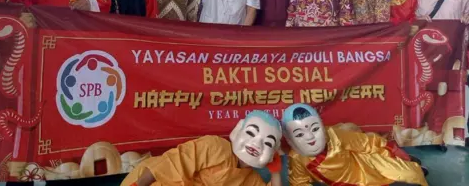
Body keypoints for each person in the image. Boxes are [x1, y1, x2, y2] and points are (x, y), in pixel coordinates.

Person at [121, 111, 283, 186]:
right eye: (250, 133)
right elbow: (171, 162)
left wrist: (275, 170)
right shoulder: (215, 146)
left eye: (268, 143)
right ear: (237, 131)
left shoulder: (251, 179)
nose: (257, 145)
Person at [283, 103, 428, 186]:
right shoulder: (296, 158)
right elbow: (299, 182)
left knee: (412, 174)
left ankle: (410, 164)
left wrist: (394, 148)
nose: (309, 137)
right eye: (299, 134)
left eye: (315, 129)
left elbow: (366, 142)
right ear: (290, 140)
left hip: (365, 166)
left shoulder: (333, 135)